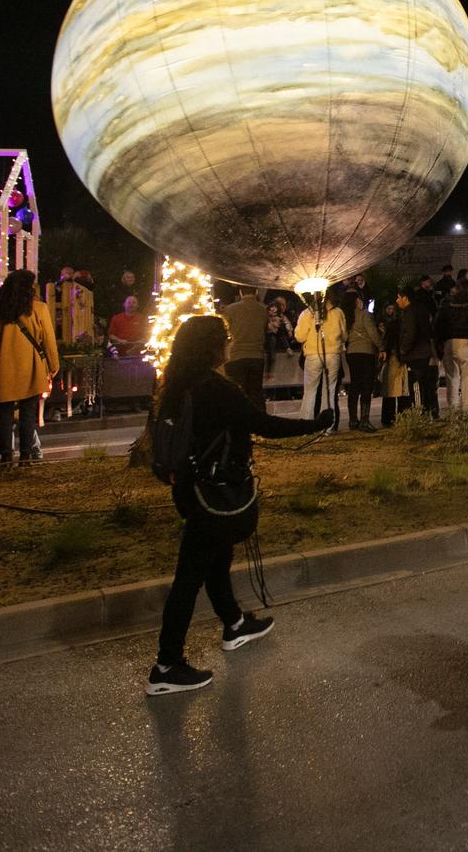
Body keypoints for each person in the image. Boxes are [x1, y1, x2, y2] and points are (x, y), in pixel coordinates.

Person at [145, 314, 331, 696]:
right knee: (190, 574)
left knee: (216, 560)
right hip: (214, 493)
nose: (229, 344)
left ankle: (233, 624)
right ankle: (166, 665)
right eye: (224, 339)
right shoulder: (216, 388)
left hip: (191, 489)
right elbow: (263, 424)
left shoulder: (175, 385)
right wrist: (315, 425)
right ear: (212, 347)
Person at [0, 269, 58, 466]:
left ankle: (6, 457)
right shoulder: (38, 309)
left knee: (3, 415)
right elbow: (48, 340)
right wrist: (53, 366)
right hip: (30, 367)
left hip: (2, 368)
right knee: (27, 414)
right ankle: (25, 456)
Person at [294, 288, 346, 428]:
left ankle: (306, 423)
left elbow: (299, 337)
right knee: (329, 390)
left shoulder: (307, 314)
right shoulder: (338, 313)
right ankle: (328, 426)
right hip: (333, 354)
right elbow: (344, 335)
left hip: (312, 354)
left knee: (310, 391)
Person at [333, 287, 380, 432]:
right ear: (357, 300)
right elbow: (372, 332)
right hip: (366, 353)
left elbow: (344, 337)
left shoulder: (344, 316)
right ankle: (364, 420)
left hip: (351, 354)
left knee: (354, 385)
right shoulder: (364, 314)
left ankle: (353, 420)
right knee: (366, 386)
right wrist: (382, 346)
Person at [221, 287, 270, 408]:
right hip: (257, 356)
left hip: (235, 356)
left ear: (240, 293)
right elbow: (265, 329)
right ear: (257, 292)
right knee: (256, 393)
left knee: (238, 394)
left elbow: (224, 331)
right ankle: (259, 422)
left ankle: (241, 424)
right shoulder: (263, 310)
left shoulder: (230, 309)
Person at [436, 278, 468, 416]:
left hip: (450, 342)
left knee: (451, 378)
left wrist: (440, 341)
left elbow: (439, 322)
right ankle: (466, 411)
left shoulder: (447, 302)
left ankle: (453, 410)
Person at [397, 283, 440, 417]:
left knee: (416, 386)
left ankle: (420, 413)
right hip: (424, 352)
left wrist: (403, 349)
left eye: (399, 297)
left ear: (406, 298)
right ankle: (429, 412)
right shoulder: (422, 310)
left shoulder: (410, 312)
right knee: (426, 386)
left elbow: (411, 332)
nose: (397, 301)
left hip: (415, 354)